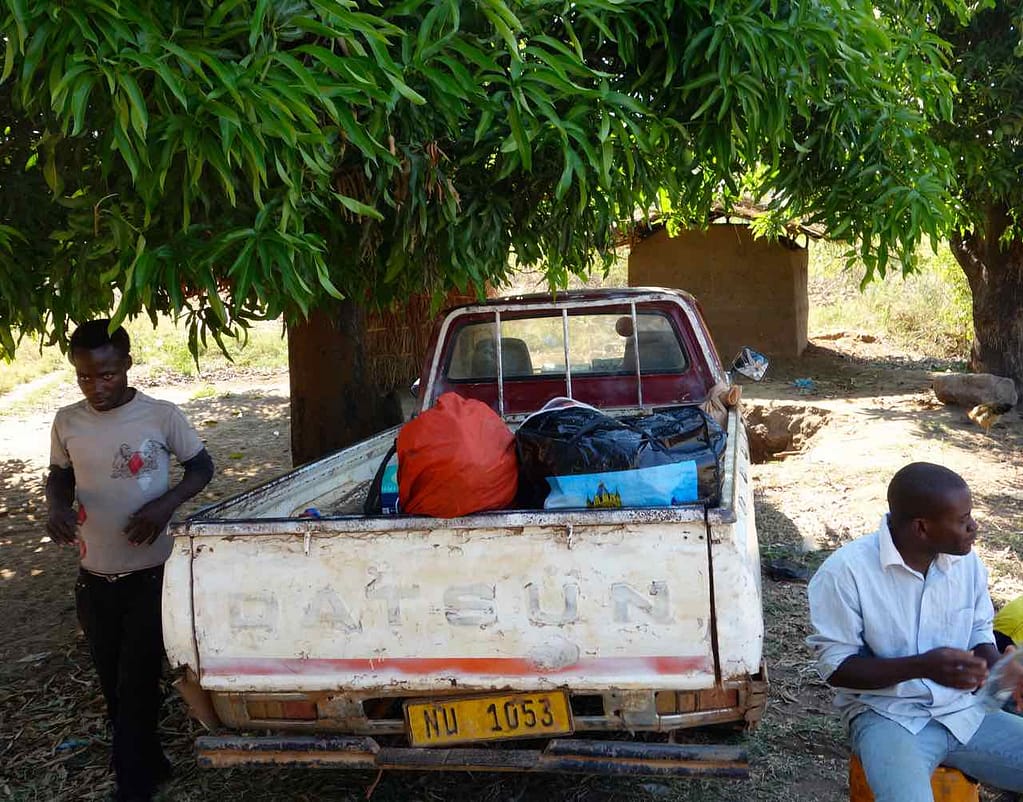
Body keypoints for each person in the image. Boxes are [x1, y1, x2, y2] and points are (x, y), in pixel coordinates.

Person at [45, 320, 214, 802]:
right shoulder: (67, 421)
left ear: (126, 366)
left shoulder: (160, 416)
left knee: (137, 674)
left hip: (152, 572)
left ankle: (132, 782)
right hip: (94, 574)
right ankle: (150, 762)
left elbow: (202, 467)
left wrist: (165, 507)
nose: (96, 387)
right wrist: (55, 507)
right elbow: (59, 475)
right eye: (85, 377)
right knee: (111, 676)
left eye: (107, 375)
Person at [807, 462, 1023, 802]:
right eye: (963, 518)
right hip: (888, 718)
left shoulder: (967, 564)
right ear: (922, 528)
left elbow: (979, 634)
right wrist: (922, 666)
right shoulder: (845, 573)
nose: (974, 526)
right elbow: (838, 668)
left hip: (964, 713)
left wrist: (999, 669)